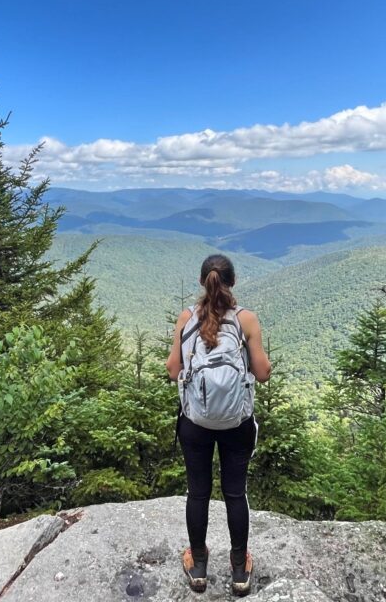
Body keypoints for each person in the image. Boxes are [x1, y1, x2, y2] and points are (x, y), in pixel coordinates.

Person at [166, 254, 272, 596]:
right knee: (234, 492)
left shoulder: (187, 318)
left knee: (198, 492)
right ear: (233, 282)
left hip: (195, 422)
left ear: (202, 282)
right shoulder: (247, 321)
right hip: (236, 423)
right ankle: (240, 570)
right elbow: (263, 373)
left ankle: (198, 565)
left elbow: (172, 370)